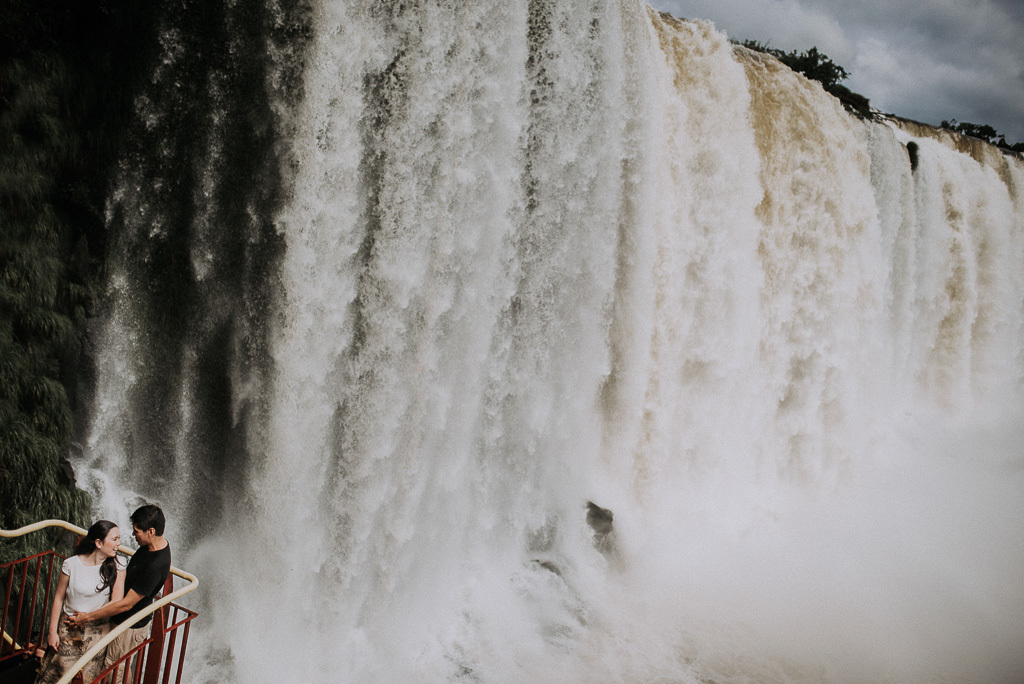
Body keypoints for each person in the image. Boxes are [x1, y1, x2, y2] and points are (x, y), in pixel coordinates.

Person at [66, 504, 171, 683]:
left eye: (137, 531)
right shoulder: (151, 546)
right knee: (118, 665)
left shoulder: (155, 566)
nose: (133, 535)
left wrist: (86, 617)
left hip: (129, 624)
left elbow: (126, 604)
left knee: (114, 668)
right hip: (122, 617)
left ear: (151, 532)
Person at [36, 520, 126, 684]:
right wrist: (52, 632)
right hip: (70, 625)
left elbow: (116, 601)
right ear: (98, 543)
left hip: (98, 629)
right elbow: (58, 598)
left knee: (88, 677)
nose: (118, 544)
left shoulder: (119, 564)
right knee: (59, 673)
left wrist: (87, 617)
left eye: (119, 539)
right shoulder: (72, 564)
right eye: (114, 539)